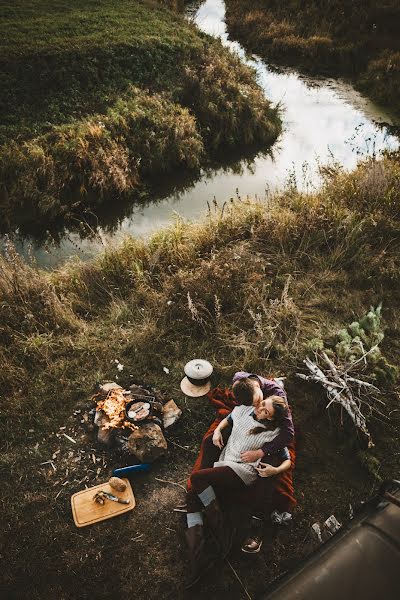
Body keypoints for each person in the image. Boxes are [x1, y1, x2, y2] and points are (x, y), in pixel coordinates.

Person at [184, 395, 291, 587]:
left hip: (243, 472)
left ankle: (220, 525)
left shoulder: (274, 433)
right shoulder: (243, 409)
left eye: (266, 411)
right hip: (225, 463)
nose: (261, 409)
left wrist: (274, 470)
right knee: (192, 497)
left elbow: (287, 460)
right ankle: (197, 557)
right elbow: (228, 419)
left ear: (271, 418)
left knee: (197, 478)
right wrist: (217, 431)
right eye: (263, 404)